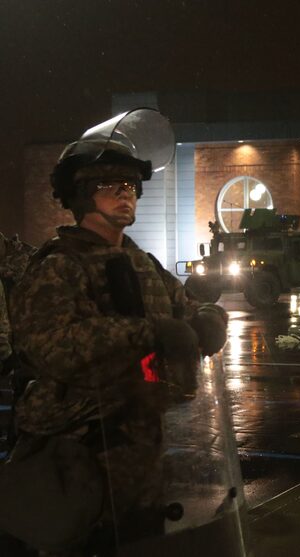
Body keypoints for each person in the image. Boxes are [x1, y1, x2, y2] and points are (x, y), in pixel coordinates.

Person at [6, 112, 229, 554]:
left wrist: (208, 319)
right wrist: (146, 333)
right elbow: (55, 347)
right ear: (84, 195)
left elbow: (182, 307)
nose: (127, 195)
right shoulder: (58, 267)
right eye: (112, 186)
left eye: (131, 187)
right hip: (81, 458)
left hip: (142, 452)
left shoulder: (140, 262)